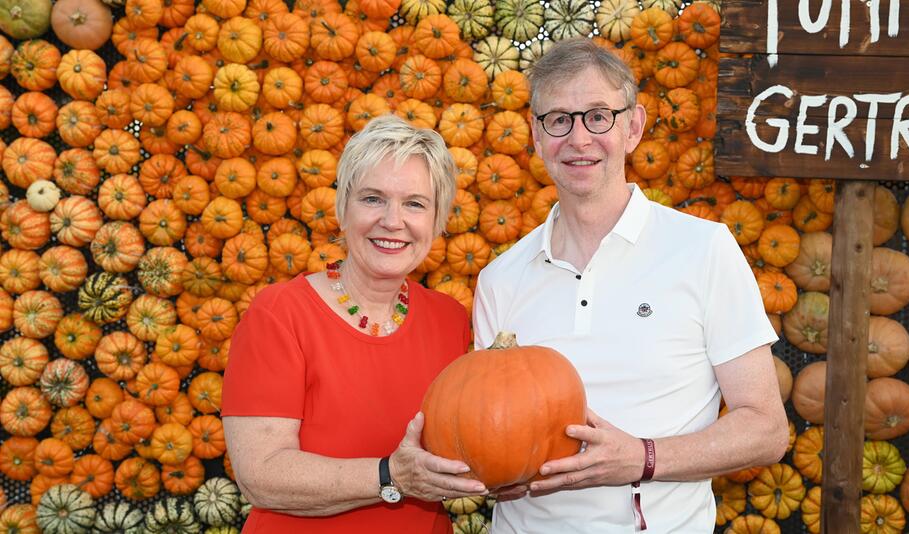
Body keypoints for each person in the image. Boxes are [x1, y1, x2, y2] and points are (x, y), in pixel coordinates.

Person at [472, 38, 789, 533]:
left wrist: (642, 458)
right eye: (559, 119)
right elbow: (486, 429)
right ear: (535, 136)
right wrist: (496, 472)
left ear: (633, 127)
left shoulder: (703, 249)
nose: (578, 139)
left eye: (599, 116)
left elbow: (766, 429)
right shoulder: (499, 278)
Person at [222, 115, 487, 533]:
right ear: (342, 208)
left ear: (437, 222)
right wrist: (390, 476)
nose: (393, 221)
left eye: (415, 203)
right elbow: (261, 474)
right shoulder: (279, 314)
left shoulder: (451, 321)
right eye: (372, 198)